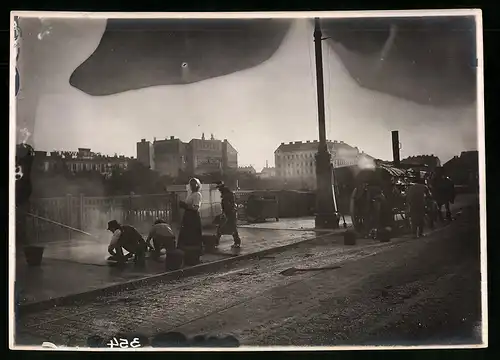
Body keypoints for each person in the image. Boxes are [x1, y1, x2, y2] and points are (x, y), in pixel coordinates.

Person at [177, 178, 203, 265]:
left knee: (193, 236)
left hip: (193, 217)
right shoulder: (190, 194)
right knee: (186, 236)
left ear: (198, 185)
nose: (192, 186)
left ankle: (194, 256)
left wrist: (185, 206)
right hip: (187, 216)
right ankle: (186, 256)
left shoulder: (197, 195)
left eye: (194, 184)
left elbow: (195, 208)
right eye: (191, 184)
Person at [215, 182, 241, 248]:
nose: (219, 190)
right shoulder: (229, 194)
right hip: (231, 213)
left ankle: (216, 242)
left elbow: (227, 205)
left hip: (229, 213)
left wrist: (224, 213)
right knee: (232, 228)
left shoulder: (226, 196)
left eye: (219, 189)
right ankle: (237, 242)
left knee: (221, 228)